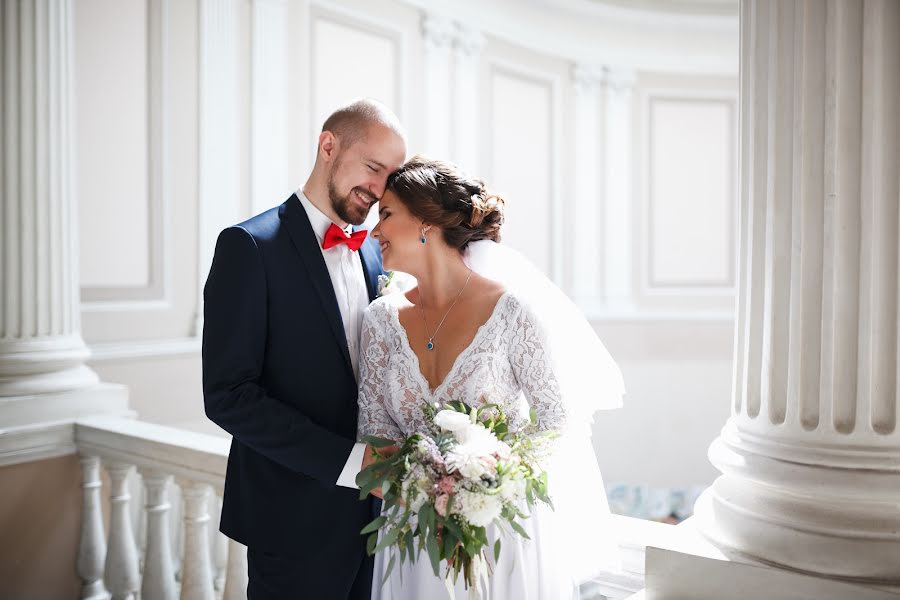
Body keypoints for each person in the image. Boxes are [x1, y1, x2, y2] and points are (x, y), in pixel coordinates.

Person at [357, 156, 624, 599]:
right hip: (414, 536)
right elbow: (374, 427)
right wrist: (424, 489)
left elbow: (557, 421)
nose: (374, 231)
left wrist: (487, 482)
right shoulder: (381, 319)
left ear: (426, 221)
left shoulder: (512, 312)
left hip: (499, 533)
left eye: (385, 214)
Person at [202, 99, 406, 599]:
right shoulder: (248, 247)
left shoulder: (380, 252)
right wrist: (353, 463)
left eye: (390, 178)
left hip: (379, 526)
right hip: (292, 523)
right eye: (373, 168)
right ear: (328, 145)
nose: (378, 190)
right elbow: (228, 395)